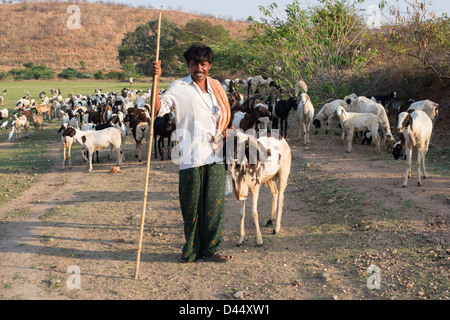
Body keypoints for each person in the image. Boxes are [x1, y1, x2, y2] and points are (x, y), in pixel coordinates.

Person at [150, 44, 232, 263]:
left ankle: (212, 249)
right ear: (188, 65)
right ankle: (192, 249)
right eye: (195, 64)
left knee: (215, 205)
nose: (199, 68)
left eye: (203, 64)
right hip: (190, 154)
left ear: (209, 66)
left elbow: (223, 117)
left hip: (216, 152)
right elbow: (158, 109)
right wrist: (155, 80)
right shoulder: (179, 86)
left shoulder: (216, 88)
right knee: (191, 205)